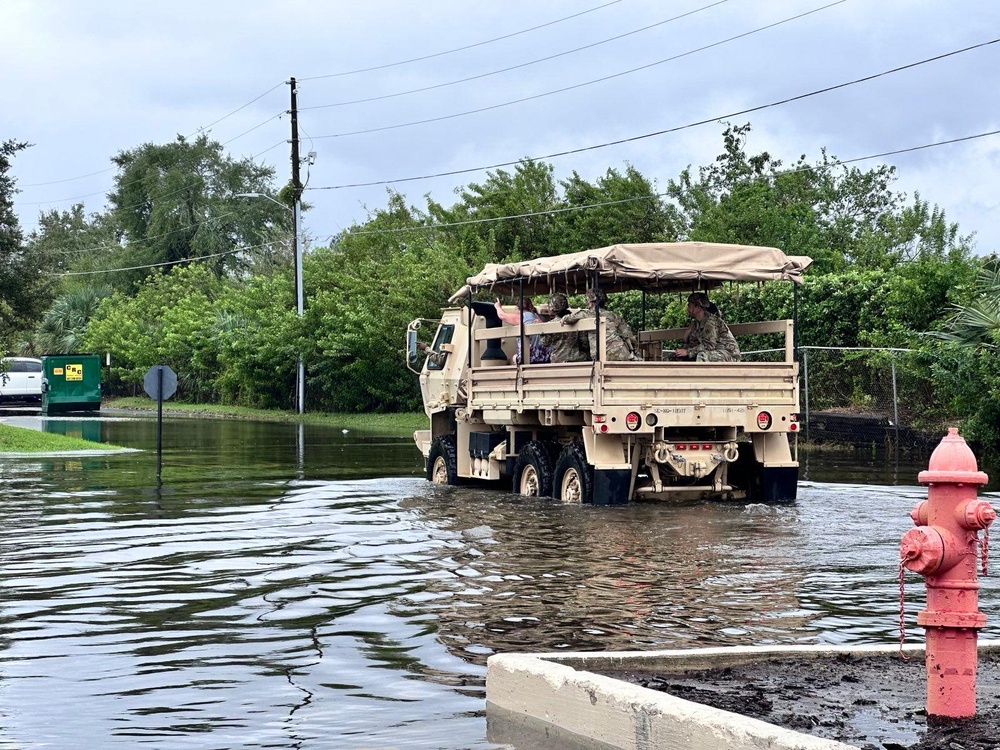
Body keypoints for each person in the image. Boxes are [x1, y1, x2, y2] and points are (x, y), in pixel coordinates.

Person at [560, 289, 639, 362]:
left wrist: (564, 318)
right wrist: (635, 352)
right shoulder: (614, 316)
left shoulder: (586, 314)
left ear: (590, 302)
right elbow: (629, 336)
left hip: (601, 356)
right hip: (621, 352)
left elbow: (568, 319)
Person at [673, 292, 741, 362]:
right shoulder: (697, 323)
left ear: (698, 307)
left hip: (728, 354)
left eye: (690, 304)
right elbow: (693, 343)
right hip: (713, 352)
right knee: (677, 357)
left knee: (702, 356)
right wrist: (682, 351)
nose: (688, 307)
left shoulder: (710, 322)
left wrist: (687, 352)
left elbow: (709, 346)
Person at [494, 297, 548, 363]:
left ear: (517, 308)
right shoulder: (537, 316)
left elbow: (502, 315)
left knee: (510, 360)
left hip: (530, 357)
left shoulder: (523, 317)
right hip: (543, 356)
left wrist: (497, 306)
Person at [540, 293, 589, 362]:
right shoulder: (576, 321)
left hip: (558, 359)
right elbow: (584, 343)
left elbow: (544, 343)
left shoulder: (550, 324)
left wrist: (542, 331)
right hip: (577, 359)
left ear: (552, 308)